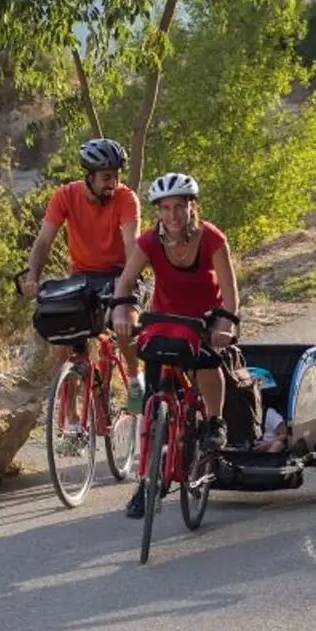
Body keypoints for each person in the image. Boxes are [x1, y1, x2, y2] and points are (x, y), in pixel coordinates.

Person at [112, 172, 241, 519]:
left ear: (190, 207)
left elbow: (230, 292)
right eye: (166, 208)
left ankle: (214, 422)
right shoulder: (149, 242)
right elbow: (126, 281)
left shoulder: (212, 239)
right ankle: (147, 481)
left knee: (206, 361)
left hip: (206, 319)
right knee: (156, 406)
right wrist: (122, 310)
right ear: (158, 211)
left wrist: (225, 325)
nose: (172, 215)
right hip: (166, 320)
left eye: (179, 207)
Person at [21, 137, 144, 409]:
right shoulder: (65, 195)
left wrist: (124, 291)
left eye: (116, 176)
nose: (113, 182)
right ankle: (70, 421)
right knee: (63, 340)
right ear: (88, 177)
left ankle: (135, 380)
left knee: (125, 328)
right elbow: (43, 242)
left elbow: (132, 245)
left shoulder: (126, 198)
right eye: (106, 177)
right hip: (82, 276)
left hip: (120, 274)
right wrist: (32, 277)